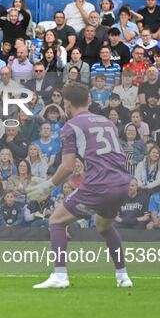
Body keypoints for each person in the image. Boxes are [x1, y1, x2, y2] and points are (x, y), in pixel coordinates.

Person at [27, 83, 133, 289]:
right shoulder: (107, 122)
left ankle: (59, 275)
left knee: (56, 220)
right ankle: (123, 276)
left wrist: (47, 186)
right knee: (104, 226)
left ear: (66, 104)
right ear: (89, 100)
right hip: (121, 182)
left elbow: (67, 166)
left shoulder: (71, 126)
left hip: (99, 184)